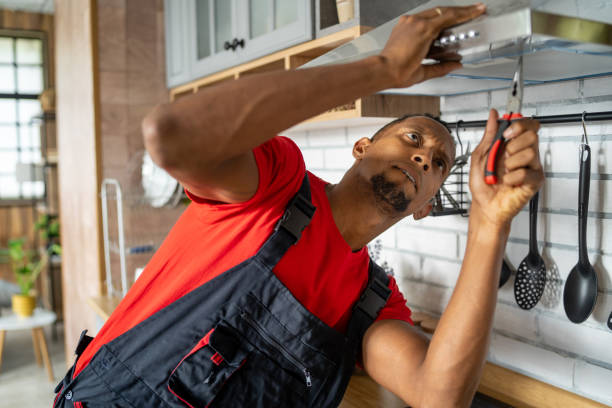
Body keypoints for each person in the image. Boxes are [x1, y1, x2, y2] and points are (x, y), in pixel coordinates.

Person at [53, 4, 544, 407]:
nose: (423, 155)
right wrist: (382, 68)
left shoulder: (371, 303)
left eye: (438, 164)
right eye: (412, 137)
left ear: (425, 205)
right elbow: (170, 135)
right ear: (362, 148)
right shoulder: (275, 185)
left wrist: (490, 223)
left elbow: (440, 396)